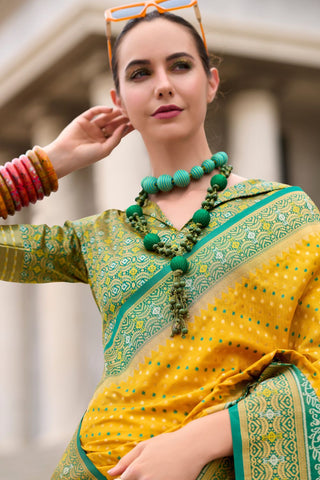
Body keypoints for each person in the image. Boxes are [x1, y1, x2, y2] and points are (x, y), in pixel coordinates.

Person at [1, 4, 320, 480]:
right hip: (95, 467)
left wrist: (198, 442)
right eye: (140, 73)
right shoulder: (100, 236)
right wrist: (53, 160)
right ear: (119, 100)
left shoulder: (289, 217)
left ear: (210, 82)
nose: (163, 84)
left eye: (180, 65)